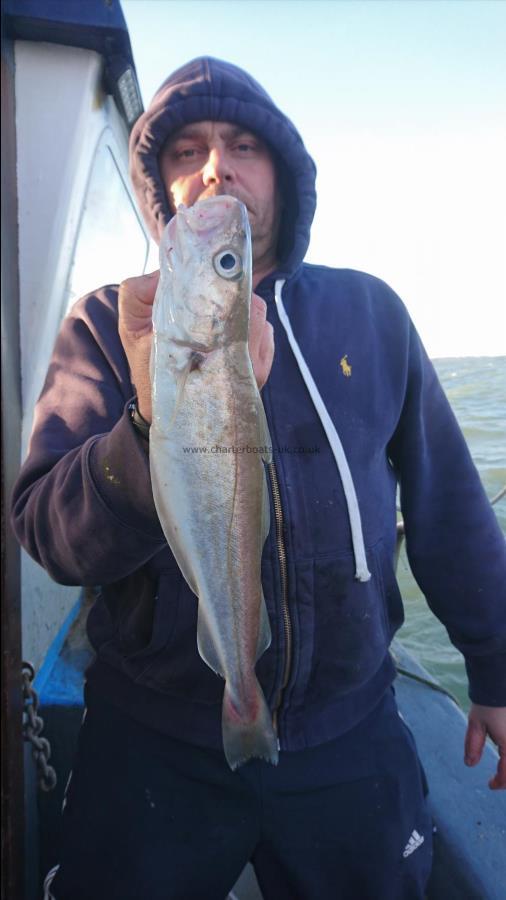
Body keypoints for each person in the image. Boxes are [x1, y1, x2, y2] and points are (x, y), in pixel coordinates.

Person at [11, 57, 506, 900]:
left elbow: (447, 502)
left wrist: (495, 667)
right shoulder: (106, 322)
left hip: (347, 732)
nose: (215, 167)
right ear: (159, 187)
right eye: (187, 150)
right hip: (152, 732)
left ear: (283, 169)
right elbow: (49, 534)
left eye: (243, 145)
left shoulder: (371, 312)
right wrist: (149, 423)